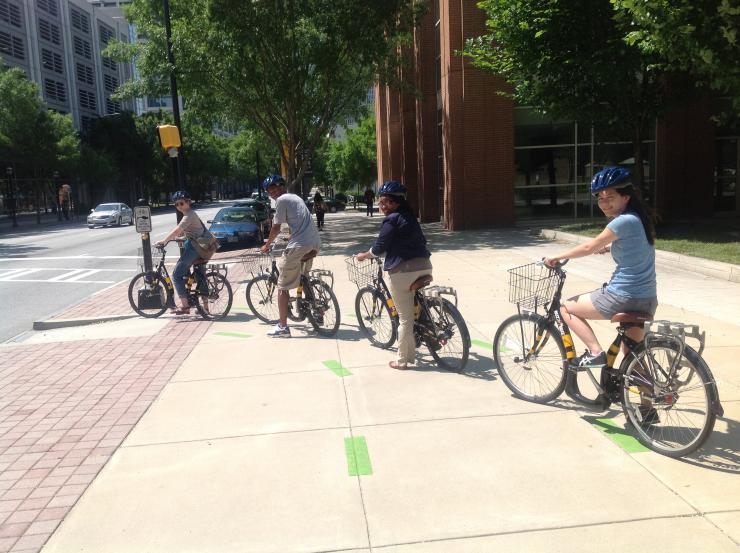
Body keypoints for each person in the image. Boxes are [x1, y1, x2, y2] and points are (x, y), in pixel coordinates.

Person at [544, 166, 658, 368]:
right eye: (600, 198)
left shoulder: (622, 221)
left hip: (622, 295)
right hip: (646, 298)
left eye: (610, 197)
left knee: (565, 308)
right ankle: (647, 398)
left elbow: (589, 246)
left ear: (626, 197)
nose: (604, 203)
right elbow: (636, 246)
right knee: (632, 356)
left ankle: (595, 353)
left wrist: (556, 256)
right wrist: (610, 247)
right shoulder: (638, 219)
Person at [356, 180, 432, 369]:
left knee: (405, 318)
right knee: (414, 303)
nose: (382, 207)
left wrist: (364, 255)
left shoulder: (392, 219)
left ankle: (402, 360)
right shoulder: (411, 217)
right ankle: (427, 329)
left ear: (396, 202)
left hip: (403, 271)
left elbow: (380, 247)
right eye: (380, 202)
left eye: (386, 203)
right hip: (425, 265)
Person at [260, 174, 322, 337]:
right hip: (314, 243)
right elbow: (300, 222)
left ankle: (282, 327)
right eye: (268, 190)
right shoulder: (295, 198)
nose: (271, 191)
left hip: (300, 245)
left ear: (281, 186)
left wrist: (267, 245)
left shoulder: (281, 201)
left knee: (282, 286)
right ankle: (317, 312)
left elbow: (276, 227)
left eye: (273, 187)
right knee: (304, 277)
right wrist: (291, 237)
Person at [155, 190, 209, 315]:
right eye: (176, 204)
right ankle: (205, 308)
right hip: (203, 247)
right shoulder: (191, 214)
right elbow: (192, 232)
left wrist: (164, 241)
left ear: (188, 202)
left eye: (181, 203)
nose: (179, 206)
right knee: (200, 277)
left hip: (195, 248)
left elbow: (177, 230)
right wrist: (180, 239)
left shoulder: (188, 216)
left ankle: (185, 306)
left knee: (176, 275)